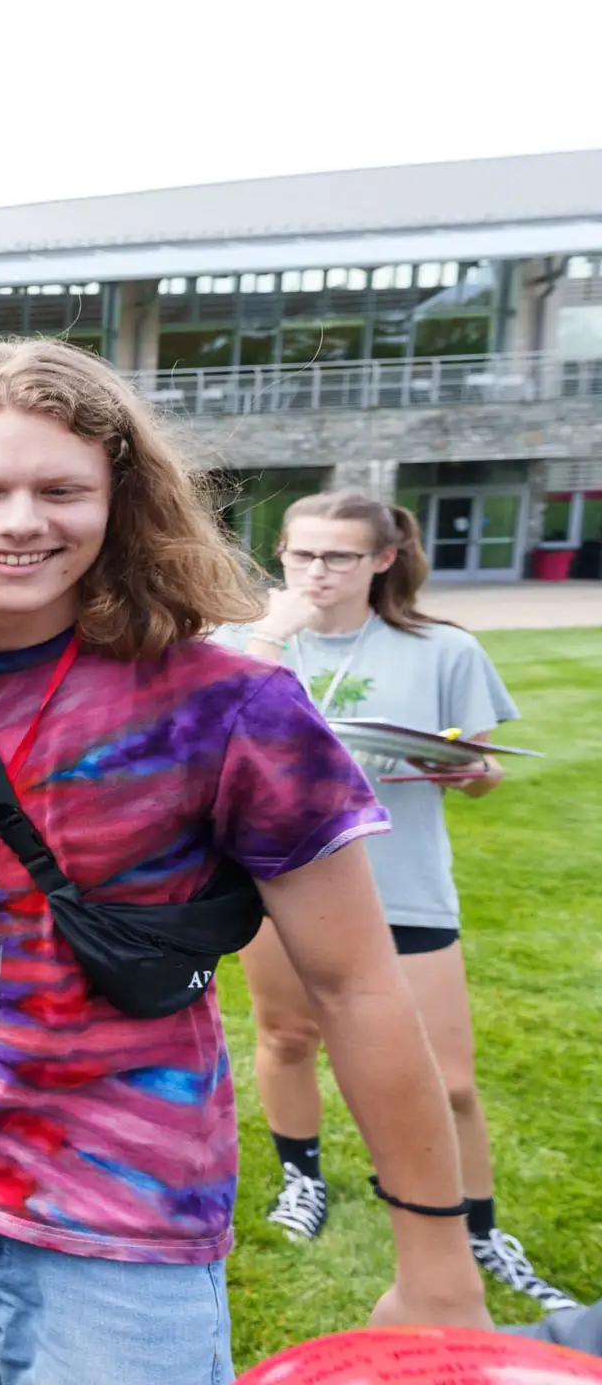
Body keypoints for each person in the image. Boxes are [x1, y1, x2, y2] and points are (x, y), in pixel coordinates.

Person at [0, 338, 491, 1383]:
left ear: (122, 497)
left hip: (121, 1222)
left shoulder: (226, 705)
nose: (19, 522)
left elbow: (356, 983)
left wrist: (433, 1254)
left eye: (60, 488)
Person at [222, 492, 577, 1311]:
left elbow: (482, 769)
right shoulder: (247, 645)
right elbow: (219, 735)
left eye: (339, 556)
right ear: (279, 555)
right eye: (302, 554)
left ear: (382, 560)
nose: (317, 572)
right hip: (281, 882)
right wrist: (271, 634)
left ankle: (477, 1229)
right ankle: (301, 1179)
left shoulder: (442, 650)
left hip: (402, 883)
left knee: (449, 1078)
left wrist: (475, 774)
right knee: (285, 1036)